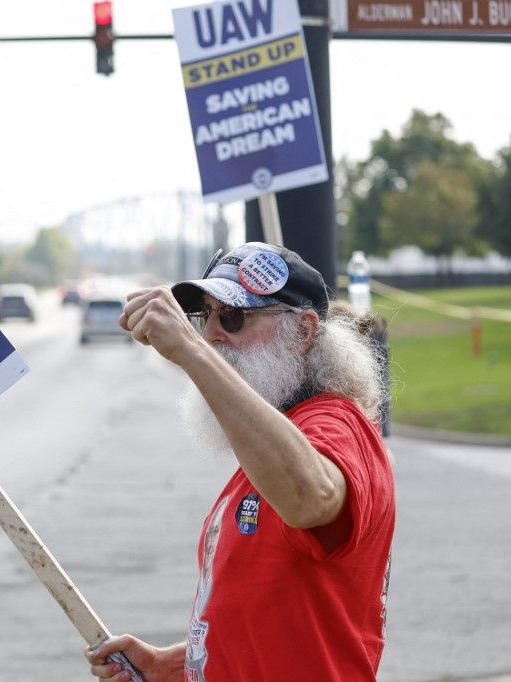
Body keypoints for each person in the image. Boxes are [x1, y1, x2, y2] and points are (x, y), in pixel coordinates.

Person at [84, 242, 395, 682]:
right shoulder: (271, 436)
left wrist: (193, 355)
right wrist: (174, 666)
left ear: (304, 331)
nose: (211, 335)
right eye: (203, 318)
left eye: (232, 317)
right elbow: (270, 620)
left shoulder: (335, 423)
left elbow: (313, 498)